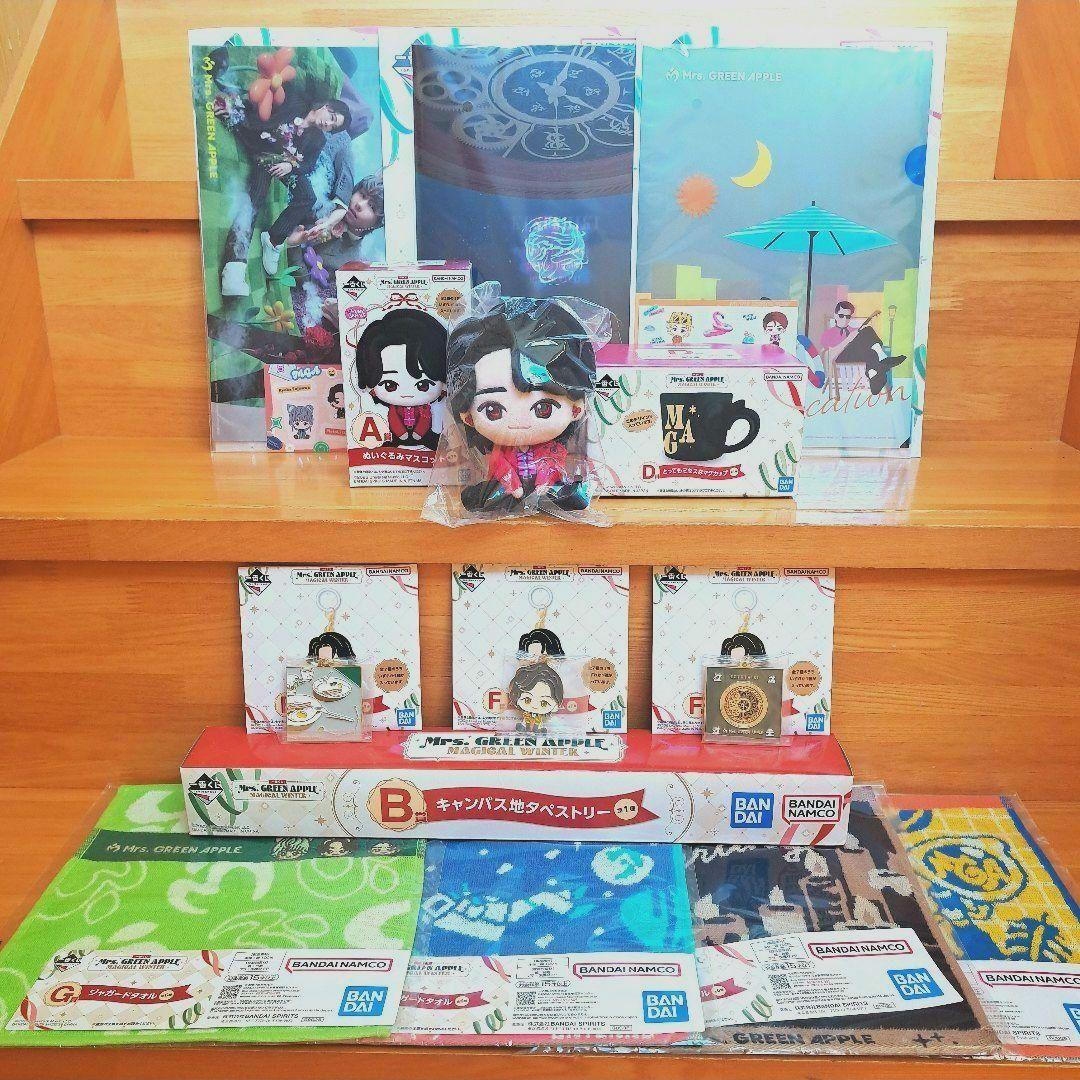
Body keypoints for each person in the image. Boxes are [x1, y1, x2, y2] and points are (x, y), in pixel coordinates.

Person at [215, 90, 352, 296]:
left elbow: (307, 165)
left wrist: (290, 165)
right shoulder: (295, 99)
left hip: (282, 164)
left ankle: (273, 239)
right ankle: (234, 269)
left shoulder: (318, 140)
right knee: (255, 198)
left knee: (308, 197)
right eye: (331, 118)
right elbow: (263, 109)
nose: (327, 124)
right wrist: (234, 112)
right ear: (327, 107)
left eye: (332, 126)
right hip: (261, 149)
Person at [355, 309, 447, 451]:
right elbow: (393, 419)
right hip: (396, 436)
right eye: (390, 385)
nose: (407, 394)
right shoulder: (394, 408)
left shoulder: (425, 408)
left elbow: (425, 418)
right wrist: (401, 433)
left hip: (425, 436)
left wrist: (419, 433)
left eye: (423, 385)